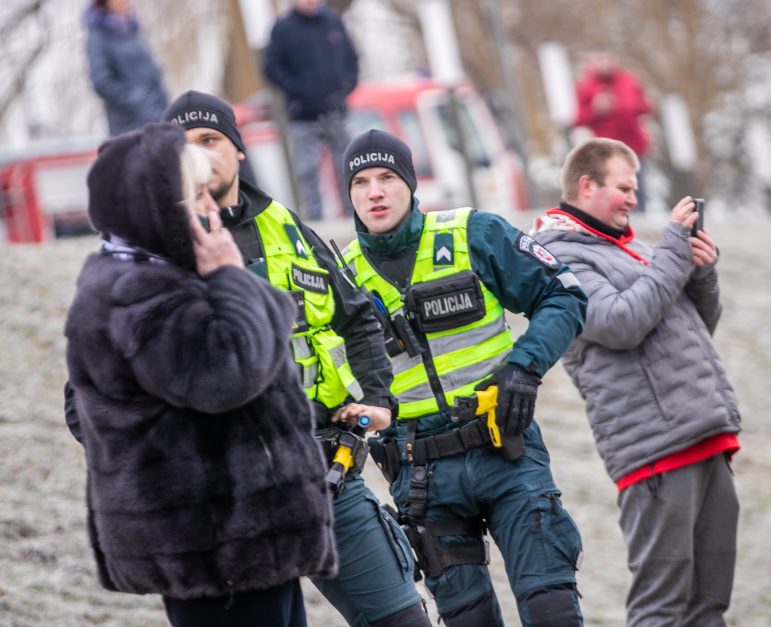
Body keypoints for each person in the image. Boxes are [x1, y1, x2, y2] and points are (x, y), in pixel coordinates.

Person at [160, 91, 431, 627]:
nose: (199, 156)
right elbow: (91, 398)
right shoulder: (148, 251)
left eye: (211, 140)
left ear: (238, 150)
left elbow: (358, 319)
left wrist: (379, 401)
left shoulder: (287, 228)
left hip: (326, 472)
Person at [63, 123, 335, 627]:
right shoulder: (136, 290)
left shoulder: (157, 275)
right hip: (215, 550)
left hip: (245, 545)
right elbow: (229, 375)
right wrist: (232, 275)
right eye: (193, 198)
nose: (211, 210)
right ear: (150, 206)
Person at [340, 129, 589, 627]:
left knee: (551, 609)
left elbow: (564, 295)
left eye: (388, 177)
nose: (375, 192)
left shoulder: (471, 232)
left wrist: (524, 368)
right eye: (361, 181)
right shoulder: (338, 277)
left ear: (411, 183)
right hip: (421, 478)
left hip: (506, 450)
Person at [530, 137, 742, 626]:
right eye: (624, 187)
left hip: (703, 435)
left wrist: (700, 274)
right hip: (655, 453)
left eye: (635, 187)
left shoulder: (635, 250)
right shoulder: (557, 261)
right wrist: (671, 252)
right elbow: (621, 323)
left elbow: (691, 332)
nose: (633, 198)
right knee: (661, 608)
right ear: (586, 186)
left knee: (709, 607)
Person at [263, 0, 359, 220]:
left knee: (347, 166)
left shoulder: (334, 22)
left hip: (336, 111)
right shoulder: (283, 29)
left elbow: (352, 60)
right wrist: (297, 91)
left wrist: (345, 88)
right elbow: (271, 67)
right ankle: (316, 224)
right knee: (307, 171)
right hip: (302, 114)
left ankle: (355, 217)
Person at [574, 52, 653, 211]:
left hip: (634, 144)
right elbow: (578, 118)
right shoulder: (586, 86)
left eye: (608, 59)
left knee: (638, 185)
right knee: (613, 185)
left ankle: (640, 217)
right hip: (608, 149)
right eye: (600, 59)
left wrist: (641, 105)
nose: (605, 63)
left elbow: (644, 106)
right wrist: (595, 109)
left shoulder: (628, 80)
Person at [84, 0, 168, 136]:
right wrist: (135, 101)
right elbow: (101, 81)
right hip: (129, 127)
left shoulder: (133, 32)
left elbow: (151, 73)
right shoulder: (97, 37)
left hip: (157, 117)